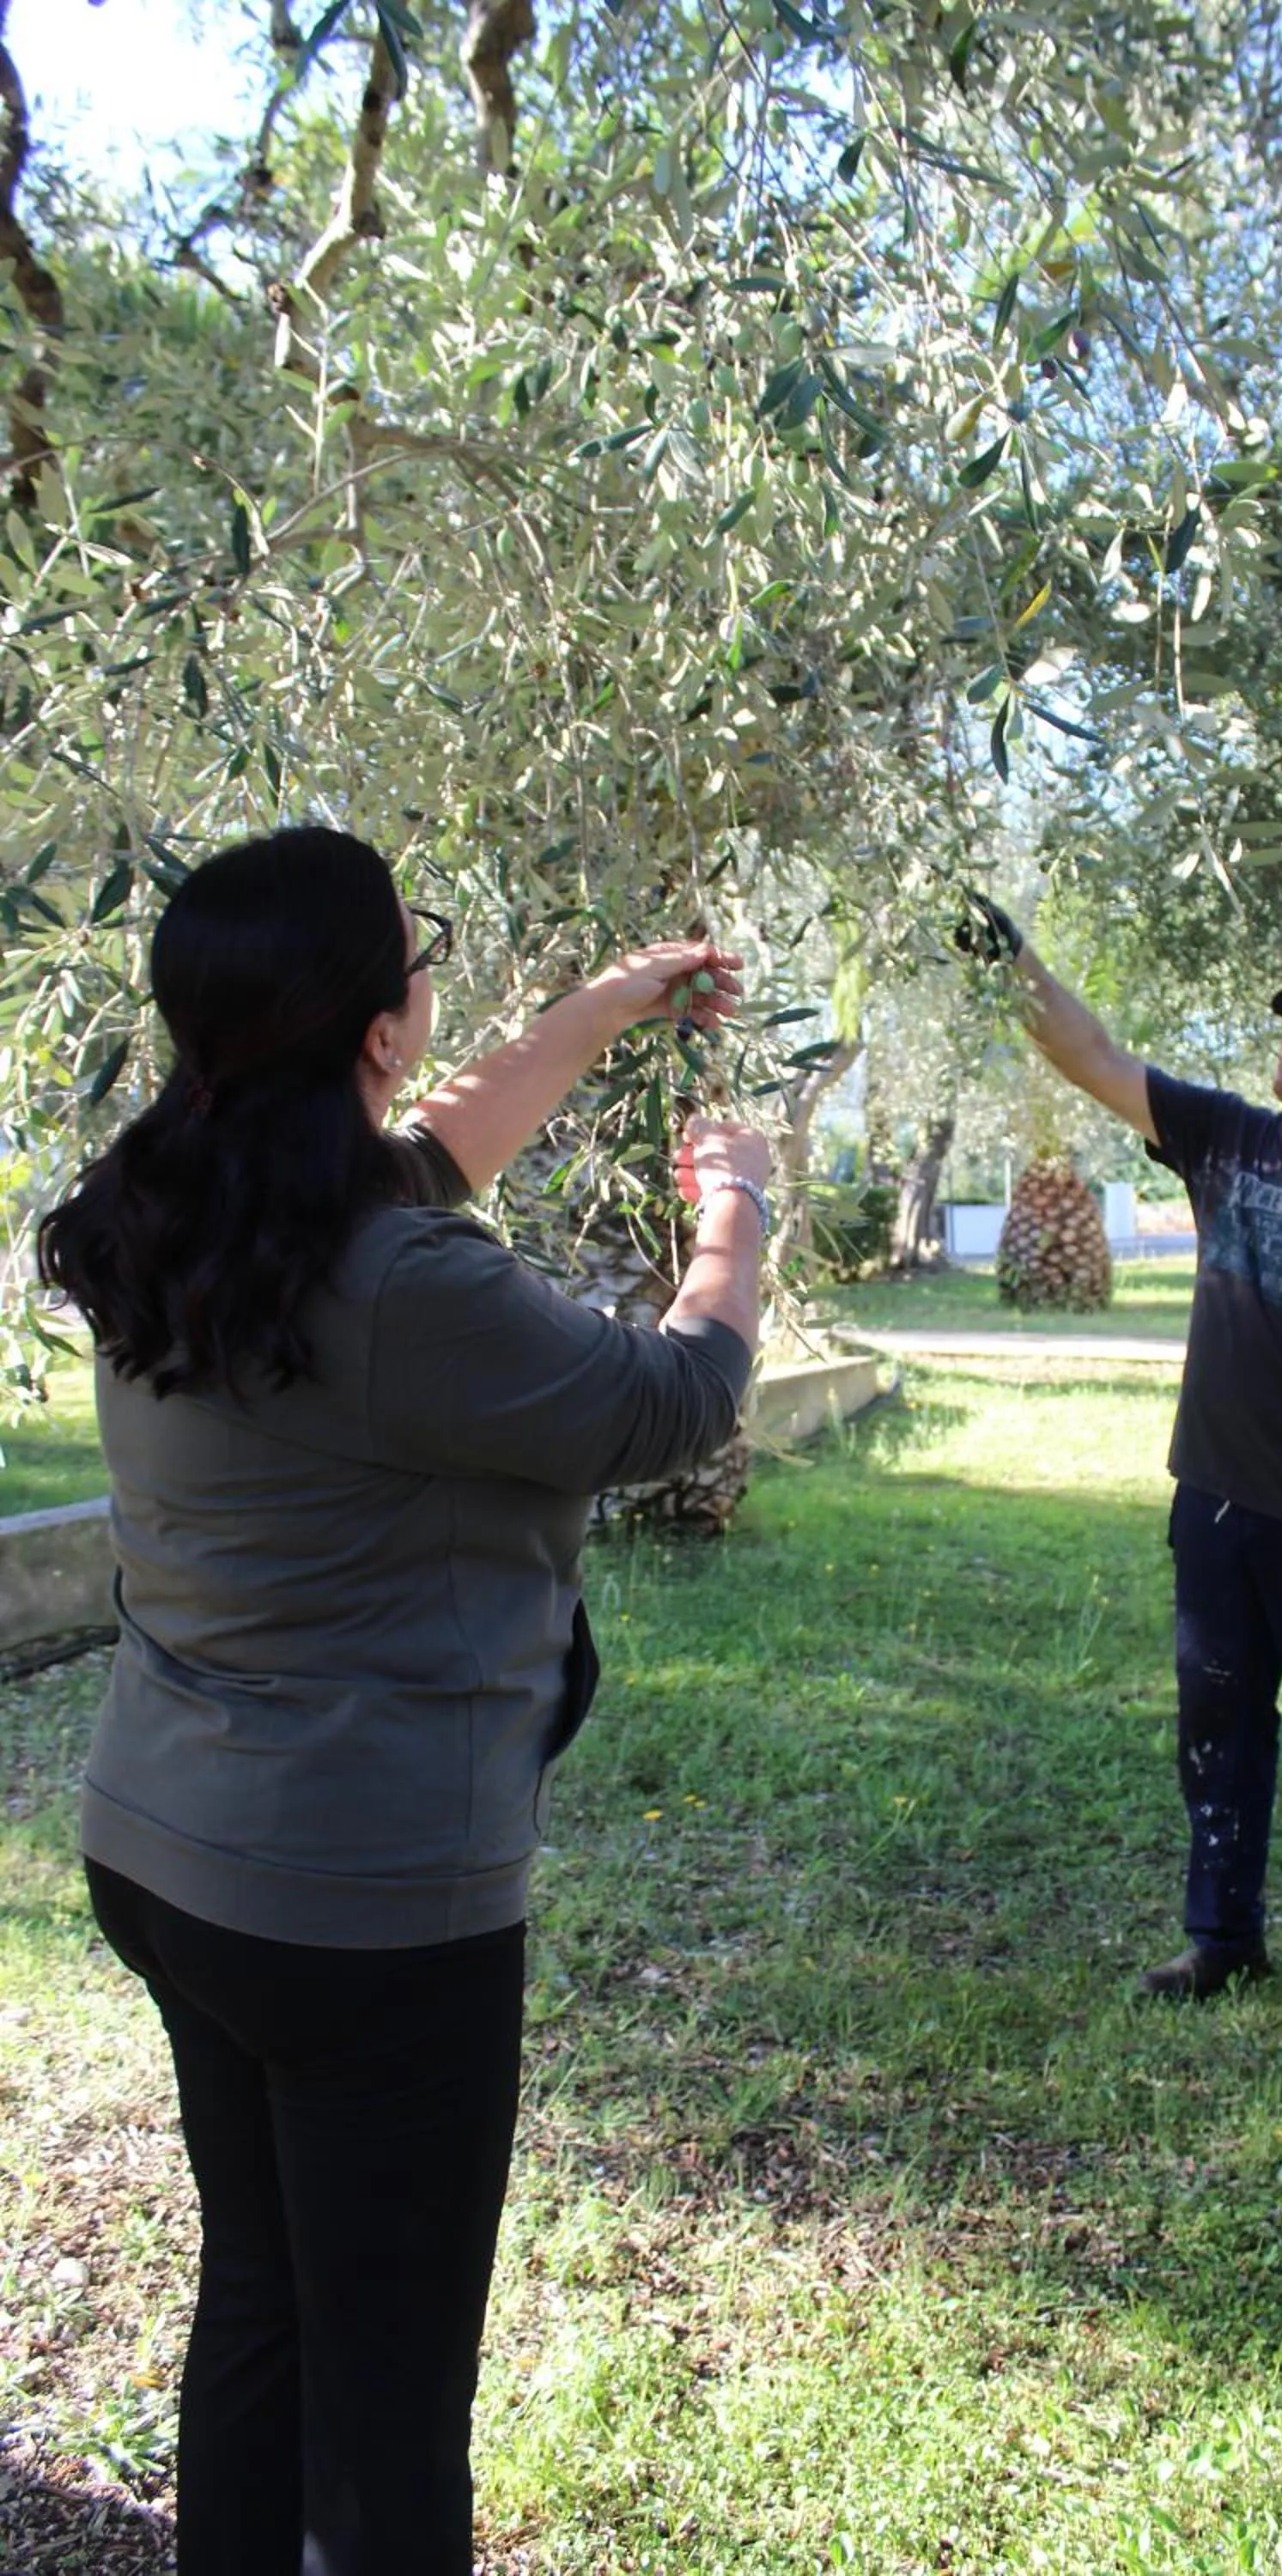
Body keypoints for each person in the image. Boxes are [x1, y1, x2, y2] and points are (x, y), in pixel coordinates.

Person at [36, 823, 773, 2576]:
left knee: (265, 2301)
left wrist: (602, 1006)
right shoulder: (404, 1290)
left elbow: (438, 1144)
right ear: (375, 1025)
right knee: (390, 2394)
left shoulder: (168, 1202)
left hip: (166, 1853)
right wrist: (736, 1217)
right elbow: (677, 1403)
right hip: (358, 1910)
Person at [958, 896, 1282, 2037]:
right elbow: (1087, 1051)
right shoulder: (1225, 1135)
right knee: (1216, 1731)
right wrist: (1015, 964)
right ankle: (1223, 1939)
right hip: (1213, 1503)